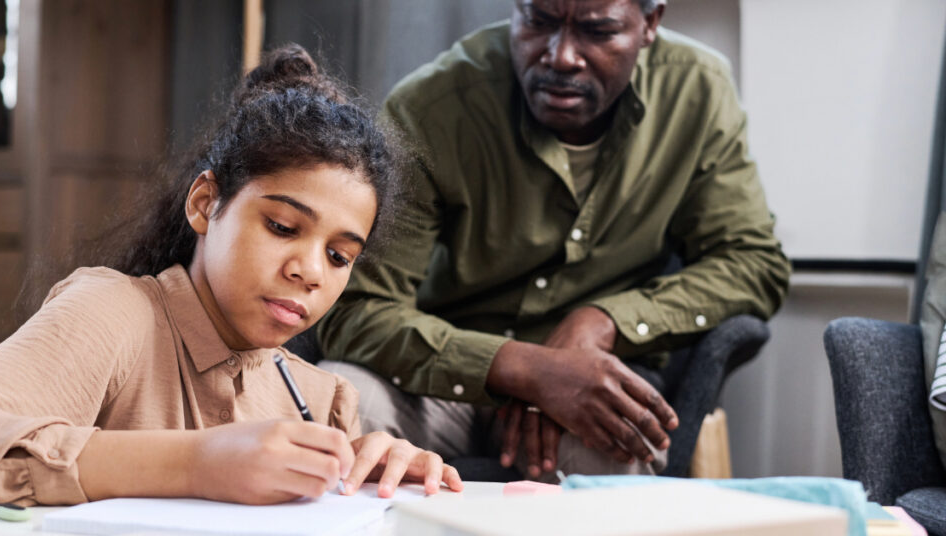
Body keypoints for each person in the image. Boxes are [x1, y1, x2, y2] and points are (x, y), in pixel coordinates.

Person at [0, 45, 463, 516]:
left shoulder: (323, 399)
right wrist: (196, 462)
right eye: (281, 226)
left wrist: (385, 477)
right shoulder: (113, 314)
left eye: (340, 256)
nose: (310, 271)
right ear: (206, 204)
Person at [316, 0, 791, 481]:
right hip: (438, 373)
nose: (561, 56)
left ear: (649, 24)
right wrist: (524, 369)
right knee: (339, 408)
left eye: (597, 30)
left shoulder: (697, 90)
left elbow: (753, 262)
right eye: (538, 21)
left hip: (595, 379)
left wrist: (601, 323)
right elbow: (360, 308)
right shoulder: (433, 106)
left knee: (604, 461)